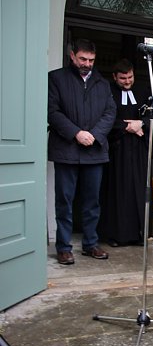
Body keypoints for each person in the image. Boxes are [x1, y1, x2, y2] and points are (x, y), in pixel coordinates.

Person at [48, 39, 116, 265]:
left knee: (92, 202)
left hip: (94, 151)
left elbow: (110, 113)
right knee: (64, 202)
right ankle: (64, 247)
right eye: (83, 59)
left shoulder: (103, 84)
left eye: (91, 60)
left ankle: (90, 244)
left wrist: (94, 135)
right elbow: (53, 112)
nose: (87, 64)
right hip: (66, 149)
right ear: (72, 56)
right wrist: (77, 133)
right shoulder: (56, 78)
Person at [98, 59, 150, 247]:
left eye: (130, 77)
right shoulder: (107, 91)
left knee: (138, 189)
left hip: (138, 150)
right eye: (123, 78)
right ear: (114, 77)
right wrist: (129, 126)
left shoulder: (144, 91)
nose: (127, 82)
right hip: (116, 149)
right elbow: (102, 117)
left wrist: (141, 123)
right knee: (117, 191)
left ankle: (138, 234)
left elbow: (152, 115)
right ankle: (115, 235)